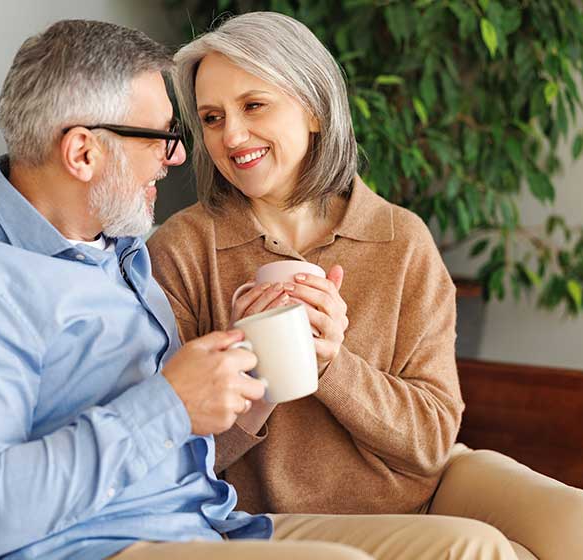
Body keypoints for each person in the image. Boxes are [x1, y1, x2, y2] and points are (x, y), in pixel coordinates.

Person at [0, 18, 391, 560]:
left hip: (208, 524)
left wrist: (253, 359)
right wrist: (168, 403)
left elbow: (174, 442)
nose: (176, 159)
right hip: (107, 547)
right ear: (82, 153)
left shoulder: (121, 252)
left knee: (468, 545)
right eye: (163, 136)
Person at [147, 11, 517, 560]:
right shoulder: (180, 250)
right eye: (212, 117)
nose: (233, 135)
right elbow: (165, 456)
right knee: (476, 548)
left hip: (406, 516)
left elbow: (433, 439)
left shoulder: (401, 241)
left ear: (316, 110)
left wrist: (332, 366)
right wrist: (255, 369)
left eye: (253, 106)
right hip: (260, 526)